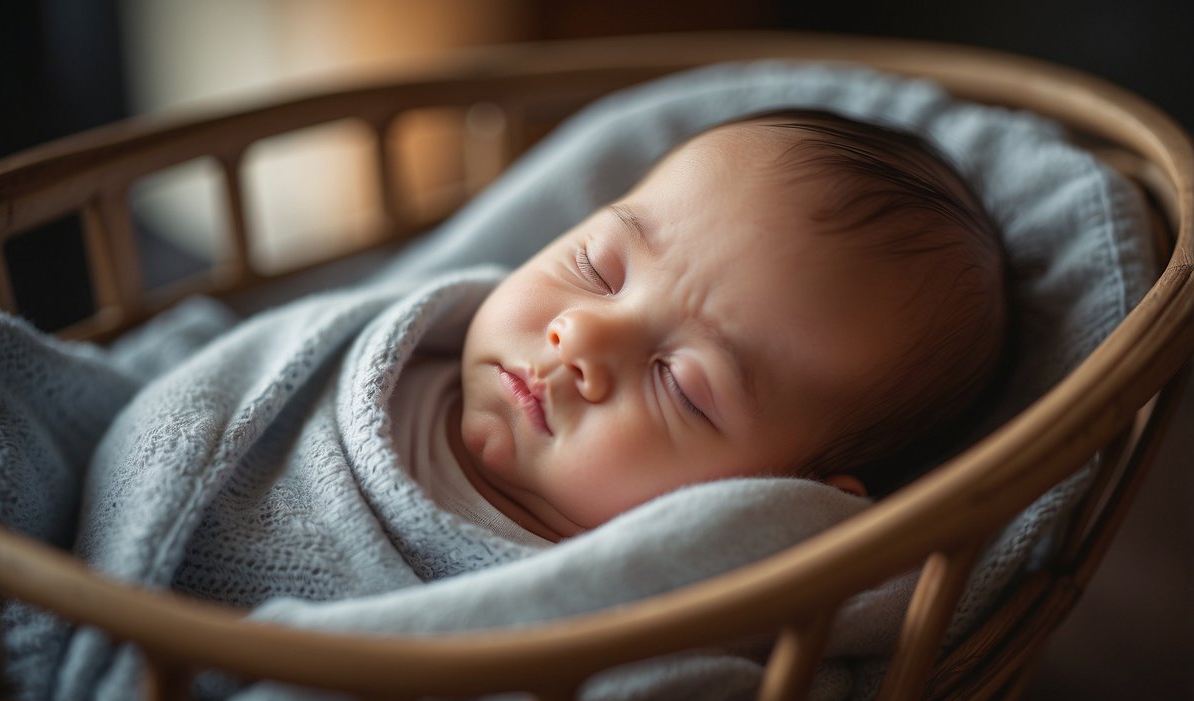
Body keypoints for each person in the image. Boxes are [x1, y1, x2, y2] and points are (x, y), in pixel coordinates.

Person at [401, 109, 1008, 543]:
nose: (581, 335)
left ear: (786, 504)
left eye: (681, 386)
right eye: (596, 269)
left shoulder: (640, 634)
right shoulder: (403, 356)